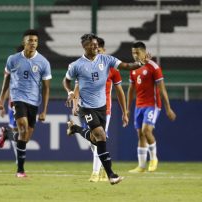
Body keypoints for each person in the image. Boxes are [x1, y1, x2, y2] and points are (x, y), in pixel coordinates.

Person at [63, 33, 149, 185]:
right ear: (84, 46)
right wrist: (70, 93)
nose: (95, 46)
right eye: (92, 44)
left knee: (96, 139)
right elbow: (66, 81)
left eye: (96, 44)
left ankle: (75, 129)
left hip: (102, 107)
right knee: (101, 137)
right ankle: (111, 174)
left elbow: (126, 66)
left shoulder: (107, 60)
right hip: (86, 107)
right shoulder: (76, 65)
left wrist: (140, 63)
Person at [71, 37, 128, 182]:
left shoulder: (112, 68)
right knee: (97, 138)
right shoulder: (84, 67)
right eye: (95, 48)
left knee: (97, 138)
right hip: (88, 106)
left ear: (104, 51)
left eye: (99, 49)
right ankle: (98, 172)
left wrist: (125, 111)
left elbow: (120, 91)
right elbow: (77, 87)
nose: (97, 52)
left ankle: (100, 171)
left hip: (106, 109)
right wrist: (74, 103)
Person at [0, 29, 52, 178]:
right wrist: (2, 98)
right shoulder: (13, 59)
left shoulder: (43, 62)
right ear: (24, 42)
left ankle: (7, 134)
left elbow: (47, 88)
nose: (33, 43)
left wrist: (44, 110)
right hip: (17, 98)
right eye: (30, 41)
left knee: (25, 137)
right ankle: (20, 170)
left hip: (34, 102)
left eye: (35, 41)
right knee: (22, 128)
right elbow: (7, 79)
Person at [127, 42, 176, 173]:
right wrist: (127, 108)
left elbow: (162, 89)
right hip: (139, 106)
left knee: (146, 130)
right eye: (133, 53)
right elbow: (131, 90)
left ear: (144, 52)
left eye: (137, 52)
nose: (135, 55)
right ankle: (141, 166)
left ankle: (154, 159)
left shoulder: (153, 67)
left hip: (152, 105)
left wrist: (168, 108)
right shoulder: (133, 69)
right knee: (140, 135)